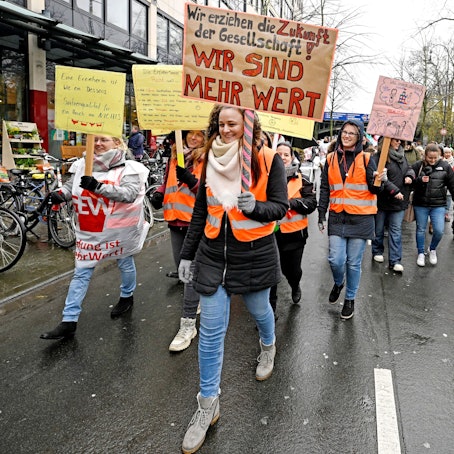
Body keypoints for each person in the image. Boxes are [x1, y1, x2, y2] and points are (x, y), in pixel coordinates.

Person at [177, 105, 288, 454]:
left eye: (232, 124)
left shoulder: (269, 159)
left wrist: (256, 206)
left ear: (248, 125)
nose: (225, 131)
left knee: (259, 312)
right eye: (220, 124)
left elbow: (280, 208)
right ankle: (208, 404)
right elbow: (200, 210)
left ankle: (268, 346)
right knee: (210, 331)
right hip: (212, 257)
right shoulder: (209, 157)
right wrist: (187, 254)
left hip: (253, 256)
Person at [40, 135, 149, 340]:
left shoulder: (130, 168)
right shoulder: (83, 164)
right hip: (90, 232)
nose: (98, 144)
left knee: (125, 262)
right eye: (95, 140)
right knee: (81, 271)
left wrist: (97, 187)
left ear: (117, 143)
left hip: (119, 231)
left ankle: (127, 296)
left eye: (104, 140)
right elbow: (71, 187)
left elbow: (129, 194)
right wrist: (60, 194)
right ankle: (69, 320)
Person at [317, 120, 385, 319]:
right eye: (344, 132)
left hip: (362, 219)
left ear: (359, 137)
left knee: (354, 263)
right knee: (335, 260)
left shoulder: (366, 159)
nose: (346, 136)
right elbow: (324, 188)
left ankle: (349, 299)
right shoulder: (330, 159)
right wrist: (322, 213)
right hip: (338, 217)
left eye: (352, 133)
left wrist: (380, 179)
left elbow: (375, 189)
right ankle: (339, 283)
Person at [151, 130, 205, 352]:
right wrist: (159, 193)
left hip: (196, 222)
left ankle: (188, 325)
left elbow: (210, 192)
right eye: (189, 133)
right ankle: (198, 297)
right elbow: (168, 182)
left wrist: (191, 180)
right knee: (183, 272)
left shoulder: (209, 158)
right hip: (175, 221)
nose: (193, 138)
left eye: (198, 134)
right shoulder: (174, 157)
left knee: (189, 272)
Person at [270, 141, 317, 314]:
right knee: (272, 273)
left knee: (292, 270)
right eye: (278, 154)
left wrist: (291, 203)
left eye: (286, 155)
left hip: (295, 236)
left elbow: (312, 203)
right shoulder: (265, 178)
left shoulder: (302, 179)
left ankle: (295, 284)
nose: (282, 158)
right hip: (271, 236)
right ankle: (271, 311)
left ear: (292, 158)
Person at [371, 137, 415, 272]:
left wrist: (410, 176)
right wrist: (393, 190)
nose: (399, 142)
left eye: (400, 140)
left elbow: (409, 168)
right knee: (378, 230)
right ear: (387, 140)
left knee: (395, 231)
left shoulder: (402, 155)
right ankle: (377, 251)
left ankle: (395, 260)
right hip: (383, 200)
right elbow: (379, 178)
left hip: (399, 201)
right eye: (396, 140)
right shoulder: (379, 157)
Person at [412, 143, 454, 267]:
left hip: (438, 204)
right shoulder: (418, 166)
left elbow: (452, 184)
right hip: (421, 203)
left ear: (440, 156)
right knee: (421, 229)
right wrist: (419, 180)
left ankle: (432, 249)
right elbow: (409, 182)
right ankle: (420, 252)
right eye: (430, 158)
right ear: (425, 156)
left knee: (439, 230)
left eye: (436, 158)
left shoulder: (445, 166)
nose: (433, 160)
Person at [443, 147, 454, 222]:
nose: (447, 154)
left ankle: (446, 213)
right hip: (442, 184)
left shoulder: (453, 161)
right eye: (446, 152)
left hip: (451, 183)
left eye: (449, 152)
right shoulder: (441, 161)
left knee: (449, 199)